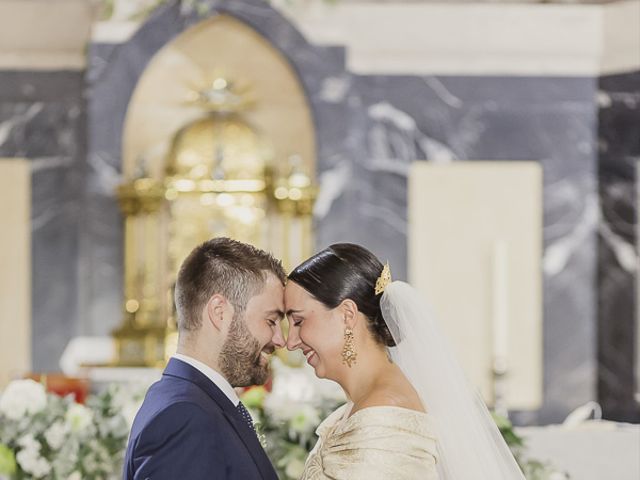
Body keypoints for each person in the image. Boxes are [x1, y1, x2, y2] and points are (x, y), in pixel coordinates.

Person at [285, 243, 526, 480]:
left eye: (298, 321)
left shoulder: (385, 412)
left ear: (347, 315)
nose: (290, 342)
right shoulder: (362, 405)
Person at [123, 237, 285, 480]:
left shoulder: (192, 400)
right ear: (219, 312)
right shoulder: (185, 418)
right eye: (271, 321)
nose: (280, 339)